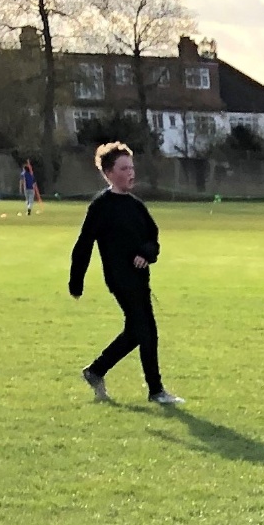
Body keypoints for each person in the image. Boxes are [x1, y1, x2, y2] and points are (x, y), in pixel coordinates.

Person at [70, 141, 184, 408]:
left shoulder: (136, 206)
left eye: (132, 167)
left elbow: (153, 238)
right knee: (146, 330)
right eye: (124, 168)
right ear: (109, 173)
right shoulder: (101, 206)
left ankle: (96, 371)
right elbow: (83, 244)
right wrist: (76, 281)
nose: (131, 173)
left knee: (137, 331)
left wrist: (146, 252)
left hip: (140, 278)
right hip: (119, 279)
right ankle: (156, 391)